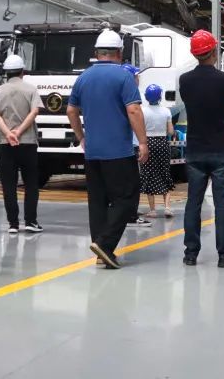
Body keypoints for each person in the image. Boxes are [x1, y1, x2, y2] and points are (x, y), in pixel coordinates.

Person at [66, 29, 148, 270]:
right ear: (119, 52)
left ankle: (101, 251)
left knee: (98, 202)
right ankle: (105, 243)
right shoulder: (124, 77)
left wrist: (81, 137)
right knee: (127, 198)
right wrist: (143, 142)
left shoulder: (83, 77)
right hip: (119, 152)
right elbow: (133, 110)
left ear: (96, 52)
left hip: (92, 152)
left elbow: (71, 110)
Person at [178, 30, 224, 268]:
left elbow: (193, 104)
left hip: (195, 149)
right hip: (221, 149)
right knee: (222, 204)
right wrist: (223, 110)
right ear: (214, 51)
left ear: (194, 54)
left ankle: (190, 253)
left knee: (193, 202)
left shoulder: (184, 80)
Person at [0, 54, 44, 235]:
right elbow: (34, 112)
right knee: (31, 184)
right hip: (27, 143)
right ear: (23, 71)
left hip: (6, 143)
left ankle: (13, 224)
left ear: (6, 72)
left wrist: (8, 133)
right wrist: (19, 132)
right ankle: (31, 221)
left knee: (9, 185)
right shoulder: (31, 90)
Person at [121, 63, 154, 228]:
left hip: (120, 143)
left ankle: (123, 212)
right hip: (131, 143)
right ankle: (130, 216)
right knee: (132, 181)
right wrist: (143, 142)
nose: (138, 78)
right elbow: (136, 114)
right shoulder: (132, 93)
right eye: (136, 76)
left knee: (120, 181)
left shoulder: (116, 92)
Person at [139, 84, 175, 218]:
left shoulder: (142, 111)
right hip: (162, 143)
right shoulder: (166, 111)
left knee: (149, 174)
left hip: (147, 143)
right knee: (164, 172)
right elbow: (170, 131)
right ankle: (167, 208)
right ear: (160, 96)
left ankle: (153, 210)